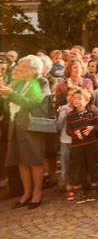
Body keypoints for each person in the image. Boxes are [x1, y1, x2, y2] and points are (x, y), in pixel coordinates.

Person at [0, 55, 49, 208]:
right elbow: (11, 101)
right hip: (16, 125)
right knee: (21, 161)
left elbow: (34, 102)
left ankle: (37, 193)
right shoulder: (19, 82)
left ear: (34, 69)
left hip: (32, 127)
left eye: (24, 65)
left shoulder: (41, 82)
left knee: (34, 162)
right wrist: (5, 94)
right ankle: (26, 193)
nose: (20, 68)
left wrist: (12, 95)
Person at [66, 88, 98, 203]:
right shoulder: (71, 115)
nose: (76, 101)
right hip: (77, 147)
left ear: (87, 100)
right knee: (77, 168)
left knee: (93, 166)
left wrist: (92, 127)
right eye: (74, 99)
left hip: (90, 146)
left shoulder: (91, 114)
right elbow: (68, 130)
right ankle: (78, 192)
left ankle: (94, 189)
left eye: (79, 99)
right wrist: (74, 133)